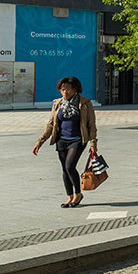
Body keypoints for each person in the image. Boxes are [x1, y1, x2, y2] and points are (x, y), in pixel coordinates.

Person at [32, 76, 98, 208]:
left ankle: (78, 194)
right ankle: (70, 197)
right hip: (61, 140)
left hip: (78, 140)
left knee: (69, 166)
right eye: (62, 90)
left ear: (75, 89)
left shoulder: (85, 102)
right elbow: (51, 124)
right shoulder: (58, 103)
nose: (65, 92)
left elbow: (92, 125)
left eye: (68, 89)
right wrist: (40, 142)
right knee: (64, 169)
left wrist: (93, 144)